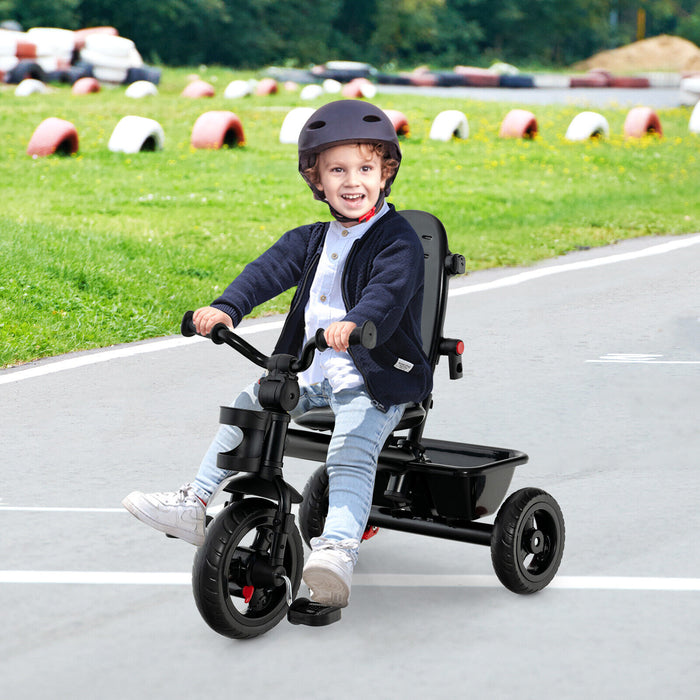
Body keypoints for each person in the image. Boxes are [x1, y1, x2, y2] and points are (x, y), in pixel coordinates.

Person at [122, 100, 431, 608]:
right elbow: (265, 271)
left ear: (386, 173)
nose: (353, 182)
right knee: (250, 405)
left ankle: (337, 549)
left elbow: (388, 294)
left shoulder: (397, 241)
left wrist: (356, 323)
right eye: (338, 170)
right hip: (312, 368)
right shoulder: (312, 239)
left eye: (366, 169)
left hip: (378, 376)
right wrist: (225, 309)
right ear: (317, 180)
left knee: (349, 453)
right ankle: (194, 500)